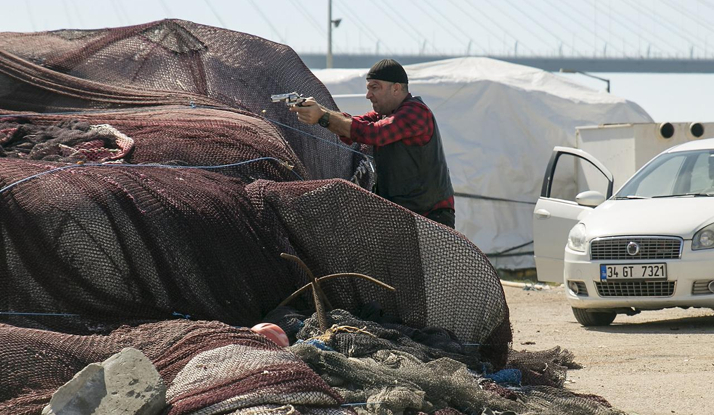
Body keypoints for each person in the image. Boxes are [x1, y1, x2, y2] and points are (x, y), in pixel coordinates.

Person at [290, 59, 455, 228]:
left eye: (374, 87)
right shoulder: (382, 115)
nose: (368, 95)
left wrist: (323, 116)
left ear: (396, 88)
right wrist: (318, 110)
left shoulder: (416, 112)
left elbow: (374, 134)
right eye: (368, 88)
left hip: (432, 218)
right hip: (404, 217)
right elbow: (350, 127)